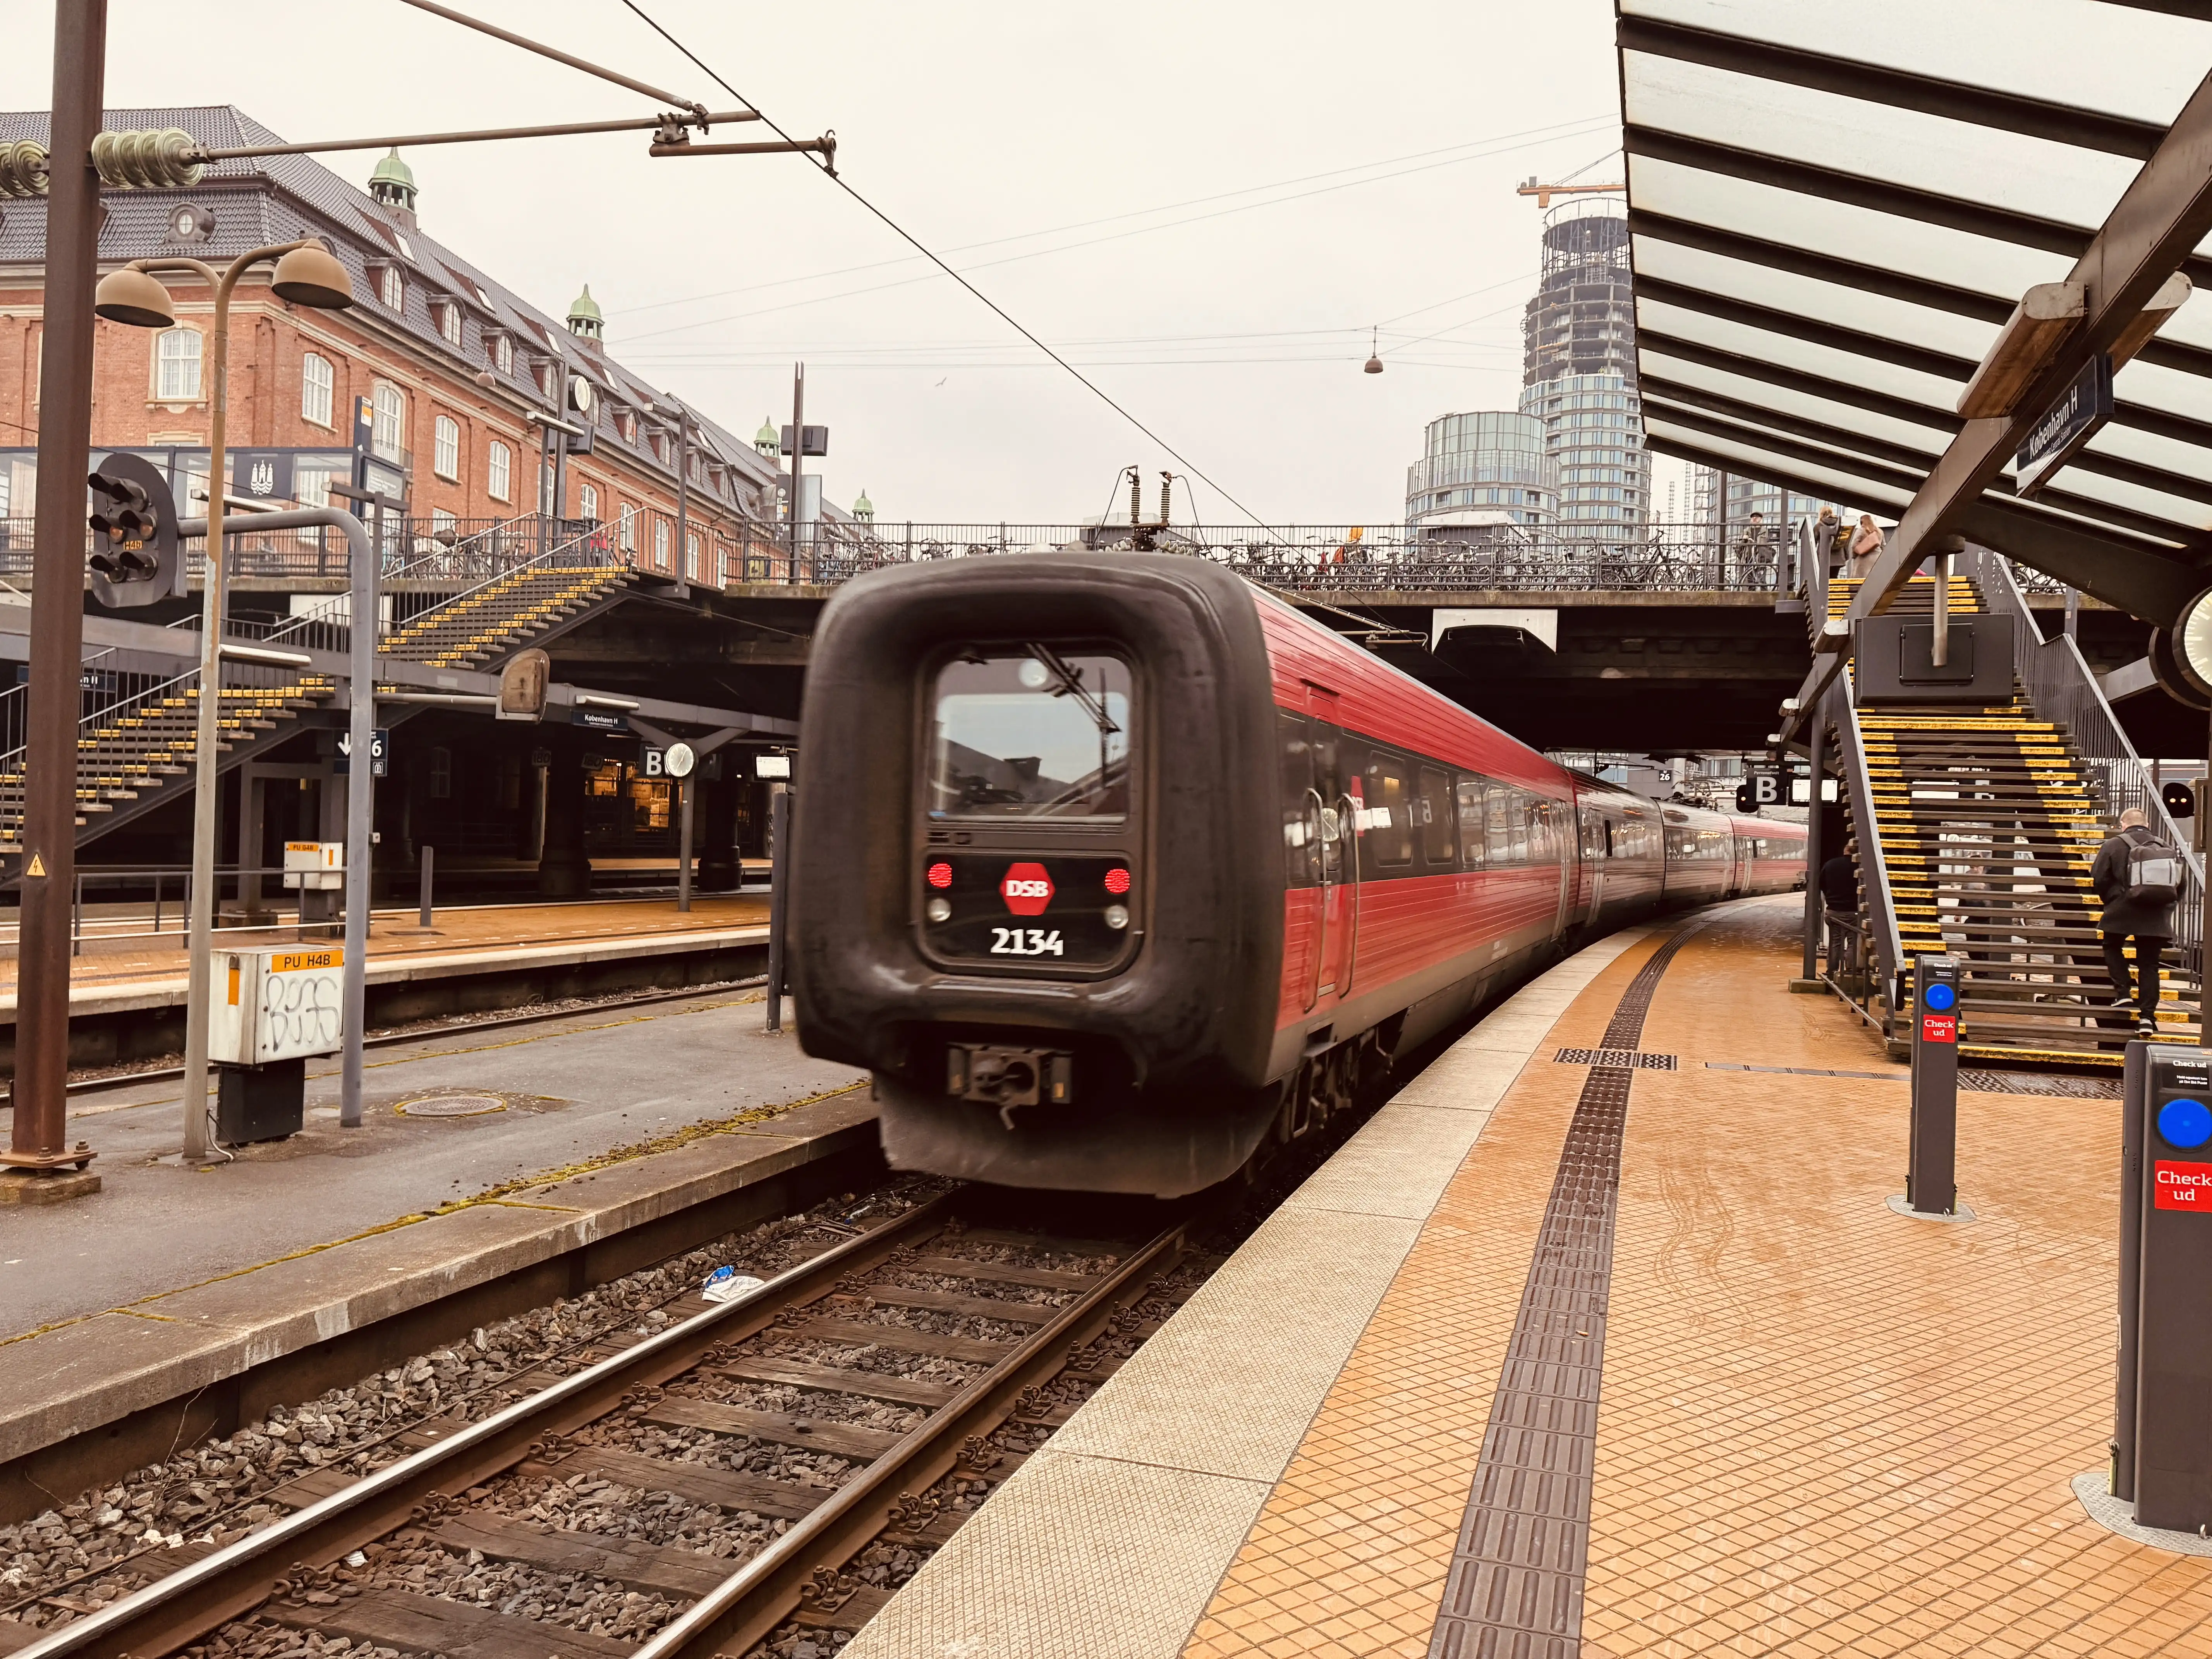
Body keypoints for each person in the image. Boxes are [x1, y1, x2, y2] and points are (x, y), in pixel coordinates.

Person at [2091, 807, 2183, 1031]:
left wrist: (2112, 899)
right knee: (2149, 965)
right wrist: (2165, 906)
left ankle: (2123, 993)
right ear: (2147, 824)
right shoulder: (2165, 847)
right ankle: (2147, 1019)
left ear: (2124, 824)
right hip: (2155, 915)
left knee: (2112, 946)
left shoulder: (2113, 845)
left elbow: (2098, 877)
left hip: (2121, 911)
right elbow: (2181, 883)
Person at [1820, 846, 1859, 977]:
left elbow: (1821, 885)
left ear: (1845, 851)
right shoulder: (1860, 867)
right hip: (1854, 912)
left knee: (1835, 942)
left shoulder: (1831, 864)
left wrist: (1831, 898)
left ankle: (1832, 971)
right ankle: (1851, 970)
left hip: (1834, 911)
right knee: (1854, 942)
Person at [1846, 514, 1886, 578]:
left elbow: (1853, 545)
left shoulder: (1861, 530)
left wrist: (1854, 556)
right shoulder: (1880, 531)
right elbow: (1884, 546)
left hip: (1863, 559)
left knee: (1861, 581)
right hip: (1877, 559)